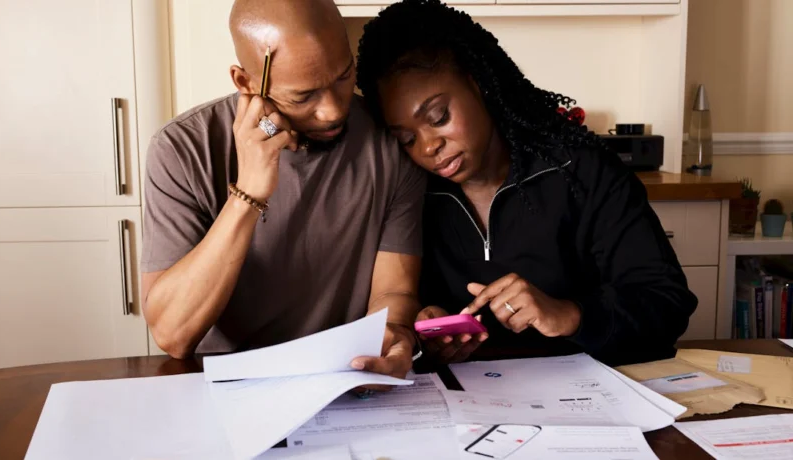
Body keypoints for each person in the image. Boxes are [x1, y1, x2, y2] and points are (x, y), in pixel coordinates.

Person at [355, 0, 698, 367]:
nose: (427, 147)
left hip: (587, 396)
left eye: (439, 117)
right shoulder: (412, 193)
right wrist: (429, 327)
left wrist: (569, 315)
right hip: (463, 405)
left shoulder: (580, 171)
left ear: (478, 84)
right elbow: (404, 305)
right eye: (406, 138)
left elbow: (667, 304)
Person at [139, 0, 426, 385]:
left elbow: (394, 289)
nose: (332, 111)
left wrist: (394, 333)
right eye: (303, 96)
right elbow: (173, 335)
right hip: (225, 385)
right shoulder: (182, 149)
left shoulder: (389, 139)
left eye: (343, 77)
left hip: (343, 378)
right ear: (245, 82)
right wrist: (249, 193)